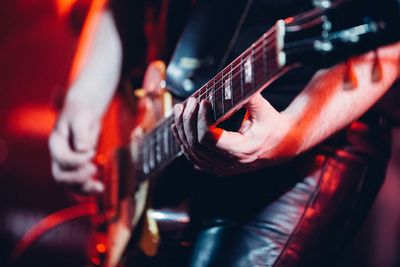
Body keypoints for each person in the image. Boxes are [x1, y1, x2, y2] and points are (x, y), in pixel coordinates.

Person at [49, 0, 400, 266]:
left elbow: (382, 41)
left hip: (304, 132)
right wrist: (83, 98)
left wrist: (293, 132)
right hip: (162, 122)